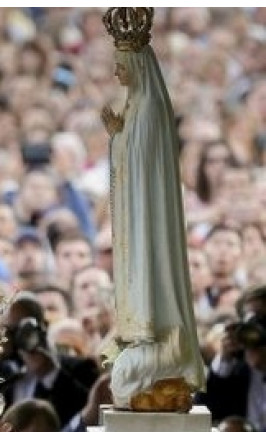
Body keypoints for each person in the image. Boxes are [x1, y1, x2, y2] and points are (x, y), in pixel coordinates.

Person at [100, 8, 205, 410]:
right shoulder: (138, 108)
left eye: (121, 65)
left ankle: (156, 341)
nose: (117, 74)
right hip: (137, 213)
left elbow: (142, 166)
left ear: (137, 63)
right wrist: (117, 137)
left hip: (148, 218)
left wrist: (120, 139)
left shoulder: (148, 109)